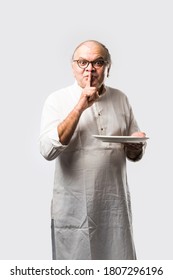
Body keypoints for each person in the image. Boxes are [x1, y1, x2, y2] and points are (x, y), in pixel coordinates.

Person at [39, 39, 147, 260]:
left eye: (98, 62)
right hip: (74, 210)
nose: (90, 69)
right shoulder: (57, 100)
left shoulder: (121, 98)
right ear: (72, 67)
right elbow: (47, 151)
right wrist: (81, 105)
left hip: (114, 208)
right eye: (82, 62)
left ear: (108, 67)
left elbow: (133, 154)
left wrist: (136, 146)